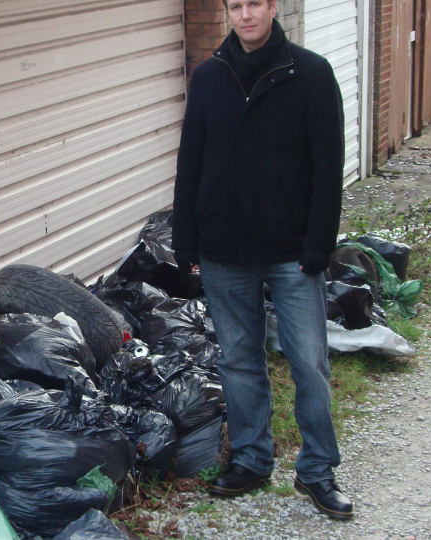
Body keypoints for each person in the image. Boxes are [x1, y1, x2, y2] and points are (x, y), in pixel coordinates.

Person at [171, 0, 353, 520]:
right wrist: (187, 241)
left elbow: (327, 166)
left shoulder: (311, 74)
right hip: (224, 249)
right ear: (228, 12)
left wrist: (319, 245)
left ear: (273, 7)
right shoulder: (209, 77)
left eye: (255, 3)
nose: (245, 15)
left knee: (310, 364)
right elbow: (190, 162)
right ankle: (252, 459)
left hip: (292, 253)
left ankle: (317, 471)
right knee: (239, 360)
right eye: (236, 6)